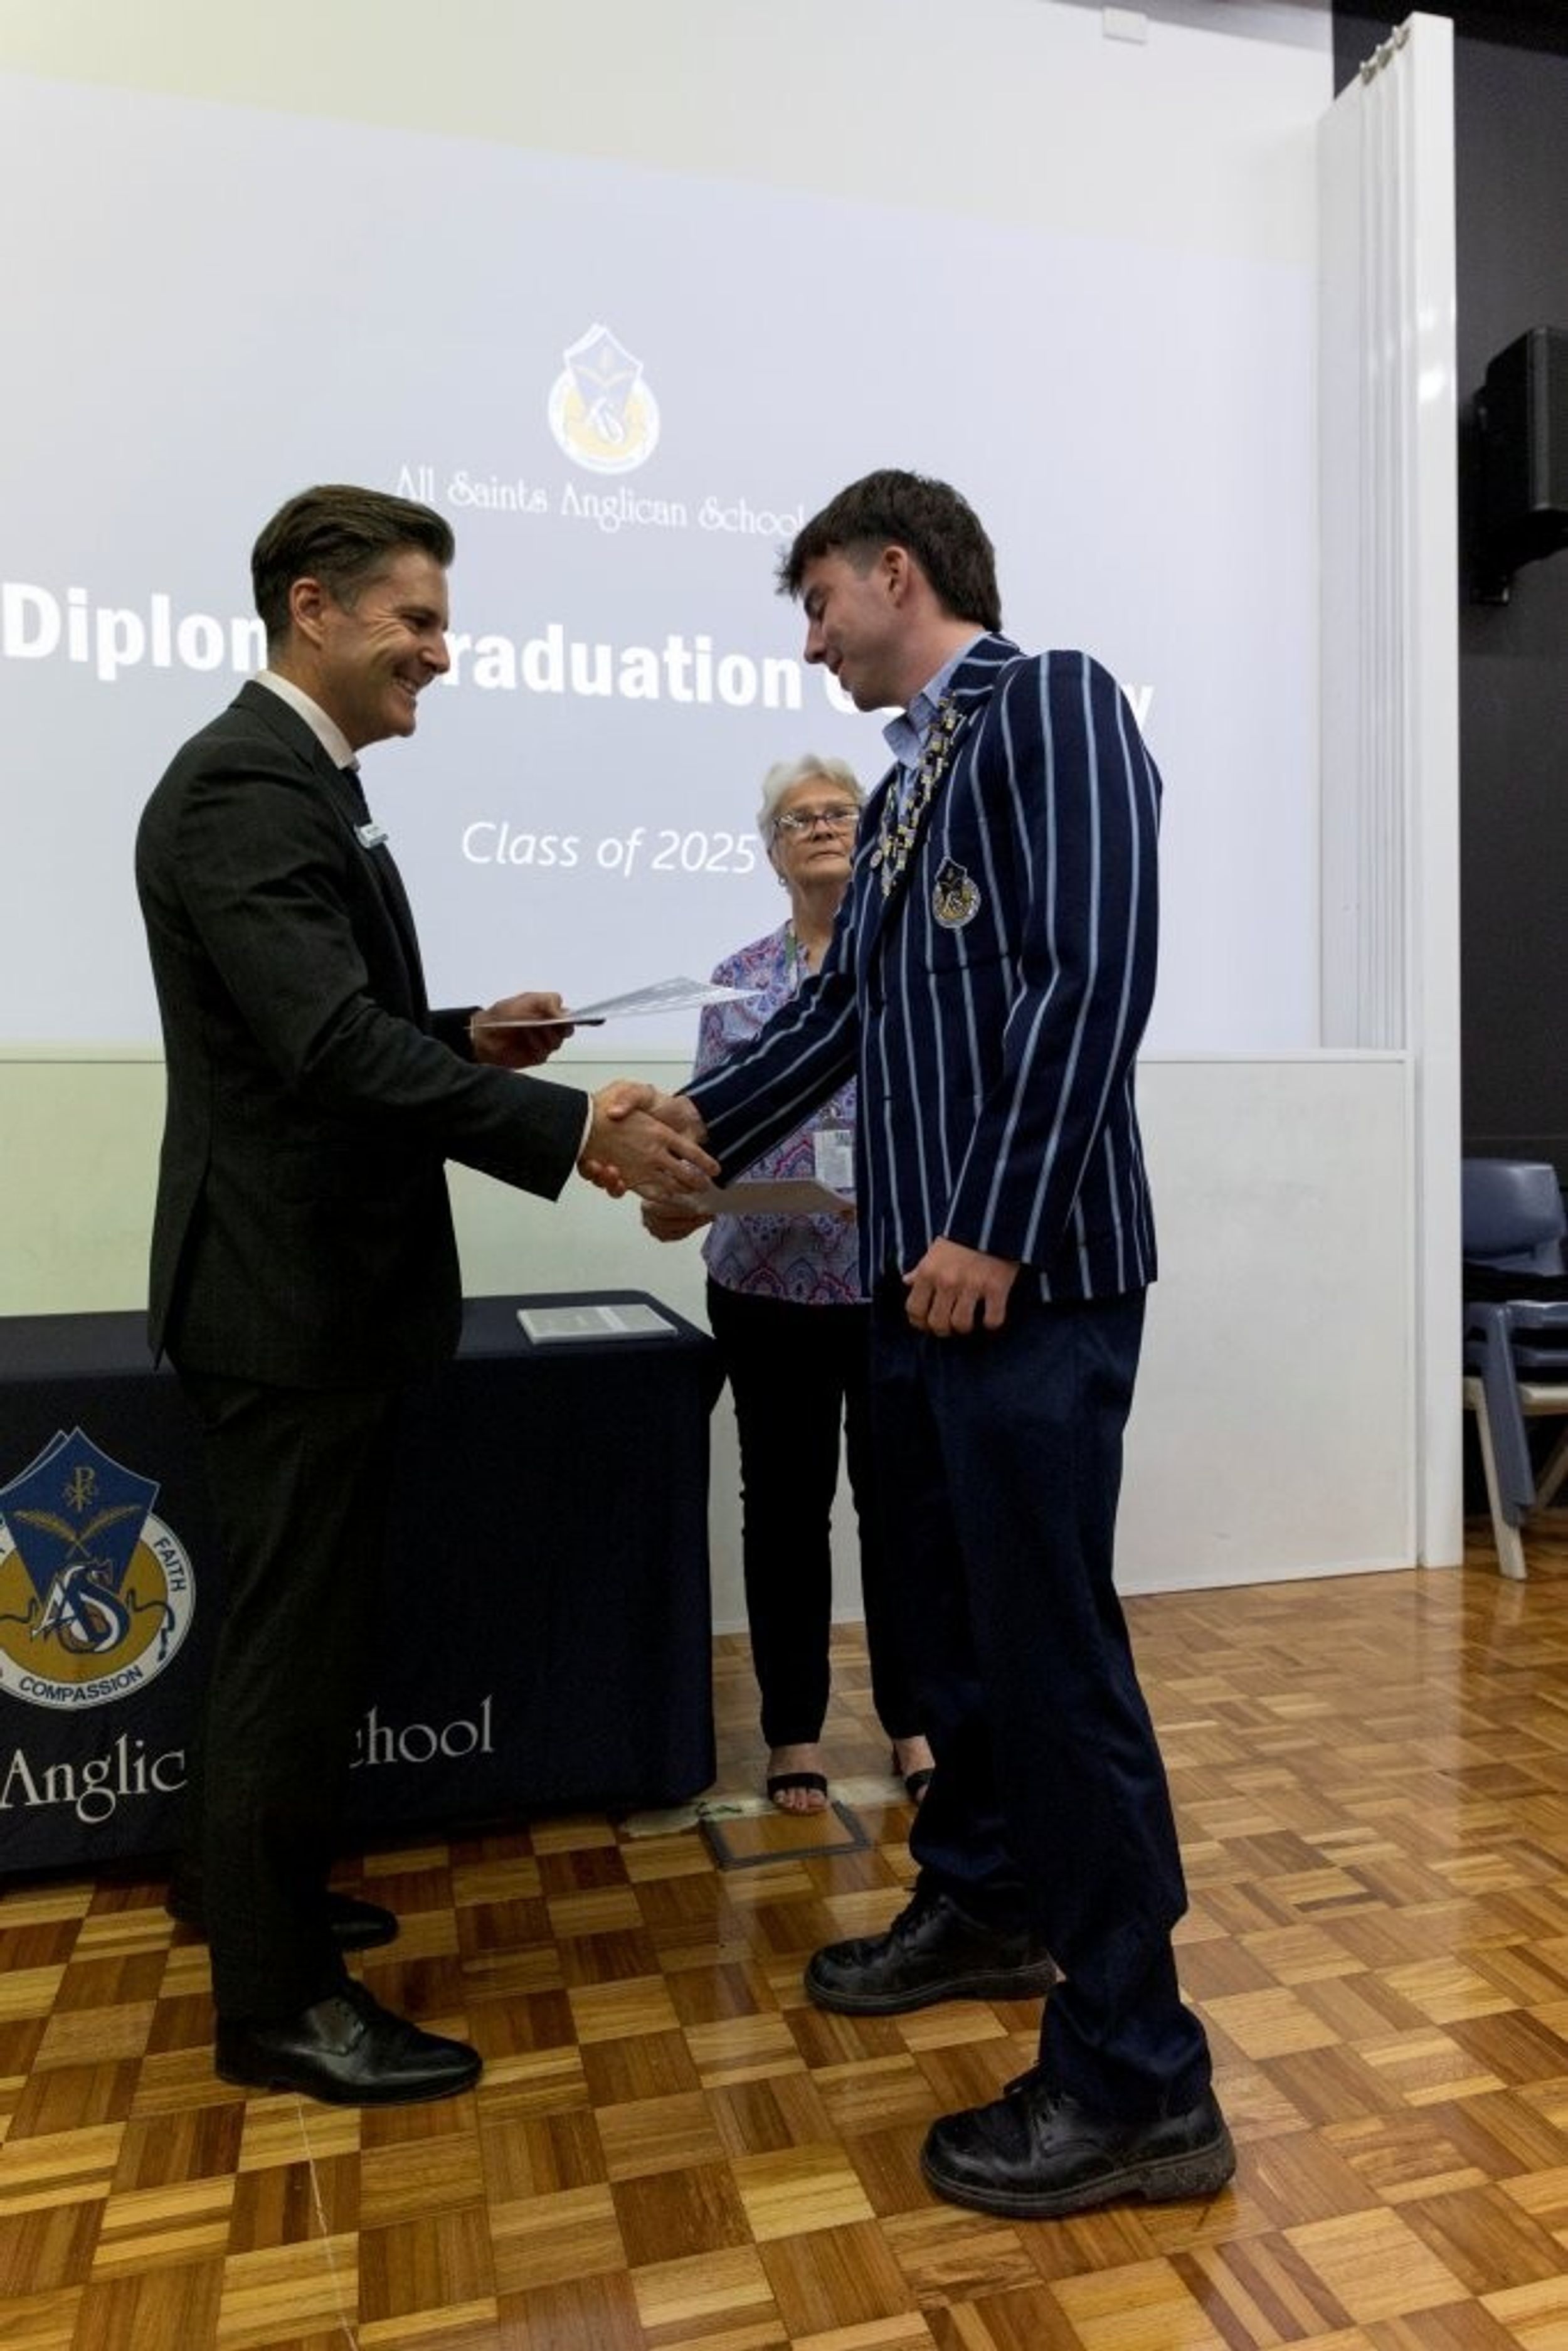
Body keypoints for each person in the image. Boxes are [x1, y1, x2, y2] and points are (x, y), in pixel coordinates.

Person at [630, 470, 1234, 2221]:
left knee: (1050, 1658)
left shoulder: (1051, 703)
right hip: (919, 1287)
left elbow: (1090, 973)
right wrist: (685, 1128)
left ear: (896, 571)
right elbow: (832, 1017)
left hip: (1020, 1276)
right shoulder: (905, 793)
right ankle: (983, 1896)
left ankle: (1139, 2078)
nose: (809, 643)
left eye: (817, 603)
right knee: (949, 1634)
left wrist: (998, 1218)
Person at [135, 483, 713, 2109]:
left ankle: (247, 1889)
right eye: (417, 619)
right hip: (285, 1298)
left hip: (316, 1291)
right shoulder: (245, 784)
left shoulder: (303, 781)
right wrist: (569, 1127)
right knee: (292, 1646)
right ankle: (275, 2004)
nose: (440, 653)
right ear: (313, 608)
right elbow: (322, 1050)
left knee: (293, 1630)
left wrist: (465, 1037)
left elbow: (327, 1023)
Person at [645, 757, 933, 1816]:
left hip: (894, 1283)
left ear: (874, 834)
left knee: (901, 1511)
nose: (820, 828)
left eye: (839, 812)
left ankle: (914, 1720)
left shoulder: (917, 962)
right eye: (797, 819)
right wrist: (677, 1188)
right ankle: (794, 1731)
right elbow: (709, 1128)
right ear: (772, 853)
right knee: (783, 1512)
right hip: (763, 1290)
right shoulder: (735, 980)